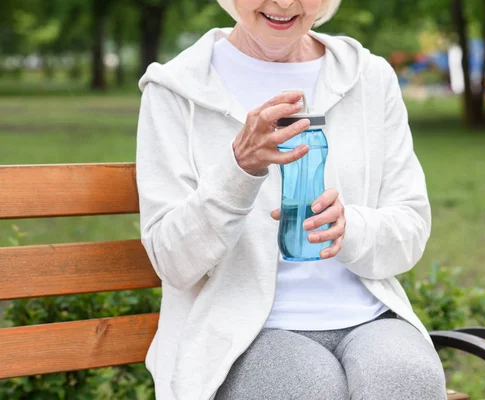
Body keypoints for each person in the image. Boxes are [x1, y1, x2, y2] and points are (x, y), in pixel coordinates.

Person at [135, 0, 446, 399]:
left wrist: (349, 228)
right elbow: (173, 261)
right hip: (240, 331)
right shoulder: (177, 89)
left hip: (369, 317)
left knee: (407, 378)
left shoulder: (368, 76)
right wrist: (239, 168)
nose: (282, 3)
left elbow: (411, 226)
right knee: (307, 386)